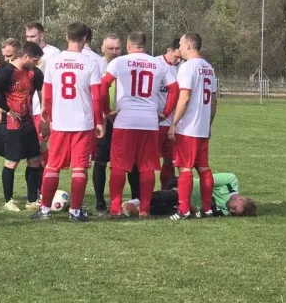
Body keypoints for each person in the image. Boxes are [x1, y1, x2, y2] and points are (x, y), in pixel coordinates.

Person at [30, 21, 105, 222]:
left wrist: (50, 117)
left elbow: (47, 94)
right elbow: (97, 97)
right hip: (83, 123)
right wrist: (99, 122)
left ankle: (44, 209)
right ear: (84, 39)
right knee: (79, 168)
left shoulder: (54, 61)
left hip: (60, 123)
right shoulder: (91, 63)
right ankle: (75, 211)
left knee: (52, 166)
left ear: (66, 37)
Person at [101, 31, 179, 219]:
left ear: (129, 45)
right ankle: (144, 210)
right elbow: (174, 89)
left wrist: (106, 111)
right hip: (149, 121)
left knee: (119, 166)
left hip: (125, 120)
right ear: (145, 45)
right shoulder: (158, 63)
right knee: (147, 167)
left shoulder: (119, 62)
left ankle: (115, 209)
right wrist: (166, 113)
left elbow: (103, 86)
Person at [0, 41, 44, 212]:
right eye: (34, 60)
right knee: (12, 162)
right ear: (25, 57)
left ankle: (32, 200)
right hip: (11, 124)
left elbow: (41, 96)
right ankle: (8, 200)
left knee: (34, 160)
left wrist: (46, 117)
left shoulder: (34, 73)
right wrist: (7, 110)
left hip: (28, 123)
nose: (36, 64)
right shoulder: (7, 72)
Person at [168, 32, 217, 220]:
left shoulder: (188, 67)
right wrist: (209, 123)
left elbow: (185, 97)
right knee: (203, 168)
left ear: (188, 45)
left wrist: (174, 123)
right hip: (203, 128)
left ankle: (184, 210)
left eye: (180, 44)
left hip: (188, 128)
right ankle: (207, 209)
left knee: (185, 169)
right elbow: (213, 100)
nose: (179, 48)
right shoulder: (209, 68)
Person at [122, 173, 257, 217]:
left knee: (173, 211)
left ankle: (139, 210)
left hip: (189, 203)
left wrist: (193, 208)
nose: (231, 210)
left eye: (234, 213)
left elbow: (201, 212)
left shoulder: (226, 211)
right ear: (241, 199)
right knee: (176, 195)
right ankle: (135, 201)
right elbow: (206, 180)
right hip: (184, 184)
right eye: (234, 208)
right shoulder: (230, 180)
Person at [25, 21, 61, 190]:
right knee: (31, 151)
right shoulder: (24, 53)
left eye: (33, 36)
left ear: (42, 35)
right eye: (27, 36)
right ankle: (35, 190)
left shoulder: (53, 53)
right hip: (27, 109)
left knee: (42, 148)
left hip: (43, 109)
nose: (30, 39)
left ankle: (45, 188)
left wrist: (49, 113)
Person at [92, 33, 122, 215]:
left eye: (117, 48)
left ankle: (131, 199)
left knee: (127, 162)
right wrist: (103, 114)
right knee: (101, 161)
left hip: (124, 120)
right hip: (104, 119)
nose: (114, 52)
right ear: (102, 48)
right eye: (110, 48)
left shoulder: (125, 64)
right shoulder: (97, 65)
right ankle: (100, 201)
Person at [157, 38, 183, 189]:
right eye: (176, 57)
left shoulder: (183, 67)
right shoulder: (155, 63)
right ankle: (140, 196)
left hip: (173, 123)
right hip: (156, 122)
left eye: (180, 58)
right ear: (168, 51)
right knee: (148, 161)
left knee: (169, 161)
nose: (178, 61)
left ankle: (166, 191)